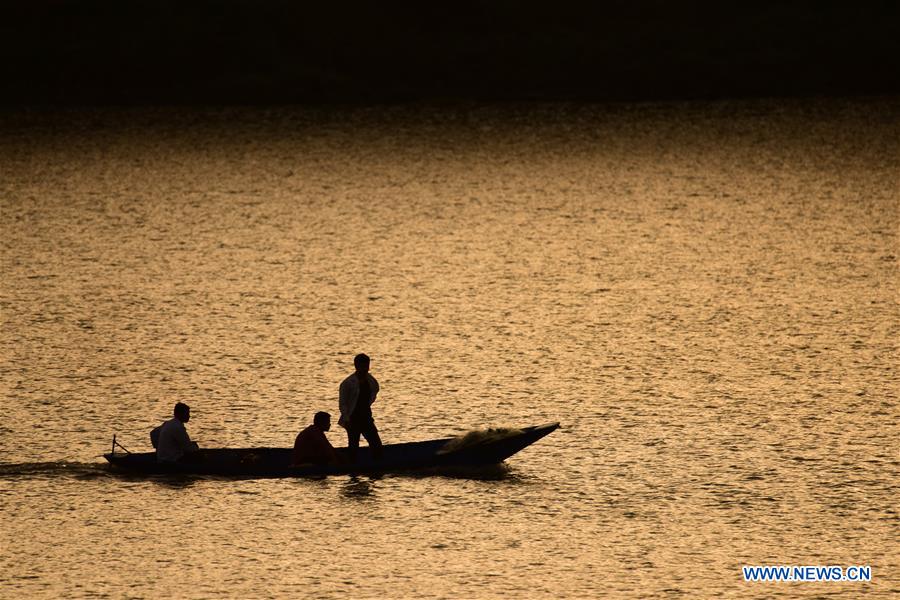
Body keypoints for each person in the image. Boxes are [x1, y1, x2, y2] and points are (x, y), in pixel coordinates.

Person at [338, 353, 383, 461]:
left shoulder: (371, 380)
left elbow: (375, 391)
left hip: (366, 417)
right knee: (353, 446)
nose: (364, 369)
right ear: (356, 366)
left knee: (376, 444)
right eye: (362, 366)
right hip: (353, 419)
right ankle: (353, 471)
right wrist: (346, 418)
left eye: (366, 366)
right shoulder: (348, 383)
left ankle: (376, 467)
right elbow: (343, 403)